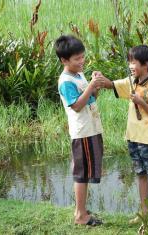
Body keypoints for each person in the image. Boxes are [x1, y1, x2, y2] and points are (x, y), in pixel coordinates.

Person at [95, 45, 148, 223]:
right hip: (133, 139)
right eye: (129, 61)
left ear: (145, 65)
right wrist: (100, 79)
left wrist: (141, 102)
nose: (130, 65)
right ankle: (144, 213)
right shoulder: (131, 81)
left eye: (134, 62)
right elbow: (111, 85)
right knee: (141, 175)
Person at [54, 35, 106, 226]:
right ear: (64, 60)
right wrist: (91, 86)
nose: (82, 61)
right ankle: (80, 215)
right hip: (82, 132)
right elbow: (76, 105)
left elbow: (92, 98)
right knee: (81, 173)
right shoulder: (66, 81)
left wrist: (95, 84)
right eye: (77, 59)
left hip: (91, 129)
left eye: (83, 57)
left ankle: (82, 210)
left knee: (86, 171)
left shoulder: (79, 74)